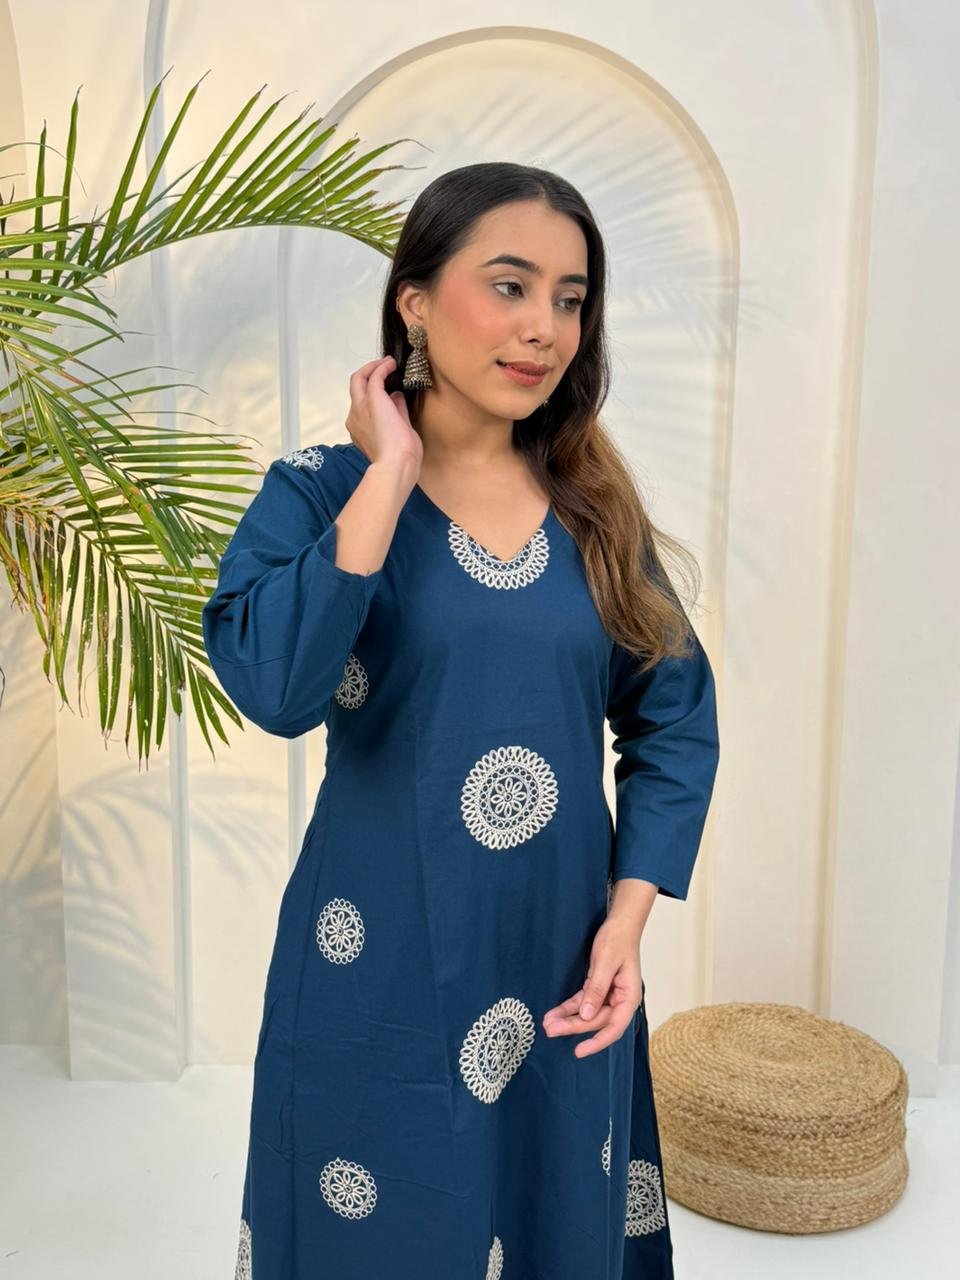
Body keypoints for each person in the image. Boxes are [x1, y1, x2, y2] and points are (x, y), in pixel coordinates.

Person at [202, 161, 720, 1280]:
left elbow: (674, 716)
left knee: (551, 1215)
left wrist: (626, 926)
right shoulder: (318, 489)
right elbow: (276, 690)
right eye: (511, 285)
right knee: (384, 1220)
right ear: (417, 303)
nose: (544, 328)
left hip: (563, 956)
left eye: (570, 299)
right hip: (379, 950)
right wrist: (387, 476)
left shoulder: (594, 511)